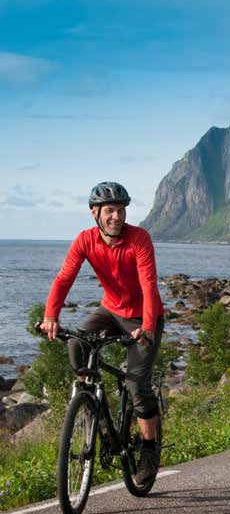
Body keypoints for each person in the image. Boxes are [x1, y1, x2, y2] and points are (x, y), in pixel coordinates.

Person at [41, 181, 165, 484]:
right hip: (110, 310)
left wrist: (147, 328)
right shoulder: (85, 241)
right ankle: (92, 402)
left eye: (121, 210)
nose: (116, 216)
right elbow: (64, 278)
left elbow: (149, 285)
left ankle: (149, 449)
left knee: (137, 384)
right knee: (76, 342)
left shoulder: (139, 238)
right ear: (95, 212)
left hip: (142, 317)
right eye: (109, 210)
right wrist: (50, 316)